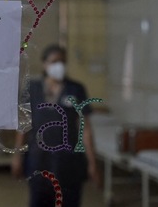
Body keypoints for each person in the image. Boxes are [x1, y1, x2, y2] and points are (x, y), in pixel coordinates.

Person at [11, 44, 99, 207]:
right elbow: (24, 126)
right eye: (55, 61)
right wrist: (17, 156)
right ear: (45, 64)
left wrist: (92, 162)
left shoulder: (76, 89)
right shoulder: (33, 89)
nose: (60, 66)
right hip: (39, 159)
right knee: (39, 200)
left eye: (63, 62)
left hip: (69, 161)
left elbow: (85, 129)